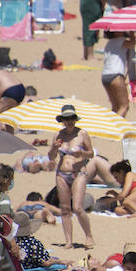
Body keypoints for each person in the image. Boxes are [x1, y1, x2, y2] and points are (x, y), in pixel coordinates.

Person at [48, 104, 93, 249]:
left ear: (75, 119)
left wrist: (82, 154)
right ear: (62, 120)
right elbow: (51, 157)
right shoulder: (58, 135)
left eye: (72, 118)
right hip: (61, 174)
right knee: (65, 209)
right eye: (66, 119)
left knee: (78, 208)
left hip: (79, 172)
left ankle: (88, 236)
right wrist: (54, 147)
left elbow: (91, 153)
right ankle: (68, 241)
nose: (69, 121)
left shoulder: (82, 134)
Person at [101, 31, 134, 117]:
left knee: (115, 107)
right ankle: (114, 129)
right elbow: (133, 44)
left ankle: (111, 127)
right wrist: (132, 32)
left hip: (105, 76)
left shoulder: (109, 43)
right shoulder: (120, 40)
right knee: (124, 106)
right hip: (115, 75)